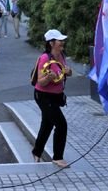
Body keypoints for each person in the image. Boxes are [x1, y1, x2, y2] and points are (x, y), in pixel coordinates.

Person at [32, 29, 72, 168]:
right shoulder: (45, 58)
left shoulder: (61, 55)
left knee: (47, 124)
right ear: (51, 43)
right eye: (60, 40)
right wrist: (48, 77)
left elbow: (67, 71)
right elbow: (40, 81)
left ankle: (37, 152)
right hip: (44, 96)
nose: (62, 42)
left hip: (56, 96)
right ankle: (58, 157)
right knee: (61, 124)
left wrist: (68, 72)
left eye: (62, 40)